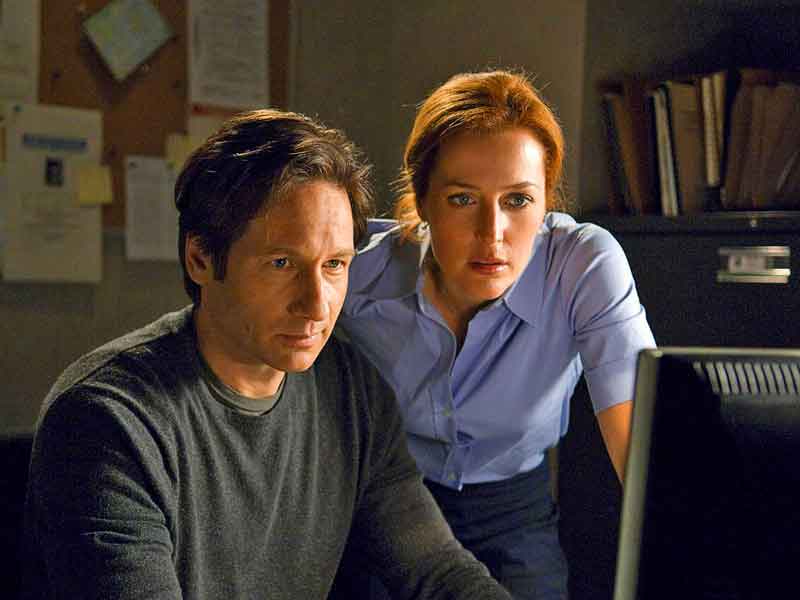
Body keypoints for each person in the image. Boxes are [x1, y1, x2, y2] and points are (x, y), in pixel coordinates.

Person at [20, 109, 513, 600]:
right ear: (200, 258)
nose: (317, 305)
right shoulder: (106, 420)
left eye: (335, 265)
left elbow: (435, 571)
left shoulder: (351, 391)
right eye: (281, 263)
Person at [337, 69, 657, 599]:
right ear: (423, 200)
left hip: (514, 512)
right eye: (463, 199)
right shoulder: (358, 273)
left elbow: (642, 445)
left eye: (518, 200)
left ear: (546, 201)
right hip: (389, 506)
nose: (492, 233)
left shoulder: (583, 265)